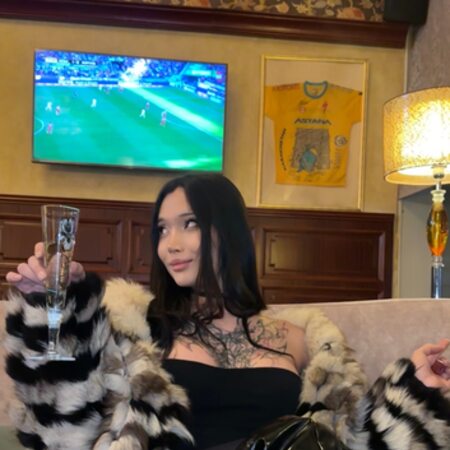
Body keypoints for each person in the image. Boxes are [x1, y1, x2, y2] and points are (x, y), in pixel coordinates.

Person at [4, 174, 450, 450]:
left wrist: (414, 387)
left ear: (229, 232)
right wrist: (53, 311)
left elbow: (349, 438)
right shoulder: (136, 331)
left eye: (189, 224)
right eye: (162, 230)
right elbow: (65, 427)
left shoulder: (301, 338)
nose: (170, 244)